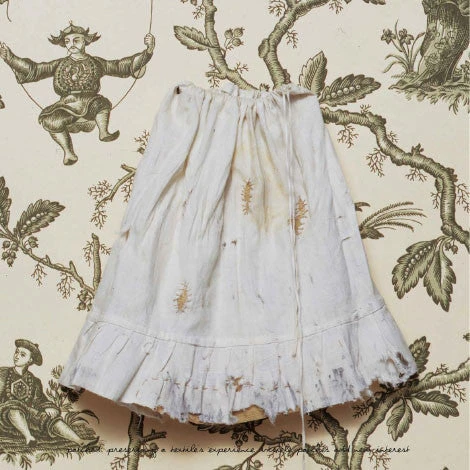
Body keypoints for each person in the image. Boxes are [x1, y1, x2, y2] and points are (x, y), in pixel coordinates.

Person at [0, 22, 155, 165]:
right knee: (50, 120)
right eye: (67, 41)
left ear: (85, 41)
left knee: (101, 103)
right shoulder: (59, 64)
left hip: (90, 102)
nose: (71, 44)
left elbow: (120, 66)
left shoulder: (96, 62)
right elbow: (34, 70)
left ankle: (103, 132)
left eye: (76, 40)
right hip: (66, 104)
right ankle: (68, 153)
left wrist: (148, 51)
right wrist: (9, 57)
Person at [0, 339, 99, 448]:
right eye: (16, 352)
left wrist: (48, 407)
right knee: (14, 408)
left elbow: (40, 400)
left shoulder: (34, 381)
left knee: (50, 418)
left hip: (28, 415)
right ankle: (29, 438)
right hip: (5, 414)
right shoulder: (3, 373)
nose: (17, 356)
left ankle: (80, 441)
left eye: (22, 354)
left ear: (30, 360)